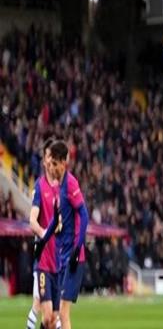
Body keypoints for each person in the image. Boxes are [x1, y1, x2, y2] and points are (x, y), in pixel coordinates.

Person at [43, 140, 89, 329]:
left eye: (54, 163)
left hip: (73, 256)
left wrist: (77, 250)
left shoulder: (70, 183)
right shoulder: (59, 187)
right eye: (50, 163)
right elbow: (56, 220)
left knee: (63, 313)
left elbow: (84, 215)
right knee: (58, 314)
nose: (51, 168)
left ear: (63, 163)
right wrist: (43, 241)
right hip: (63, 256)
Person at [29, 137, 61, 329]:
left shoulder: (60, 188)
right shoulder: (39, 187)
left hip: (59, 261)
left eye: (54, 157)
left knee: (53, 319)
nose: (51, 160)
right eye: (49, 156)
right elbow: (32, 220)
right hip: (43, 262)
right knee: (47, 315)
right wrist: (44, 234)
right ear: (44, 160)